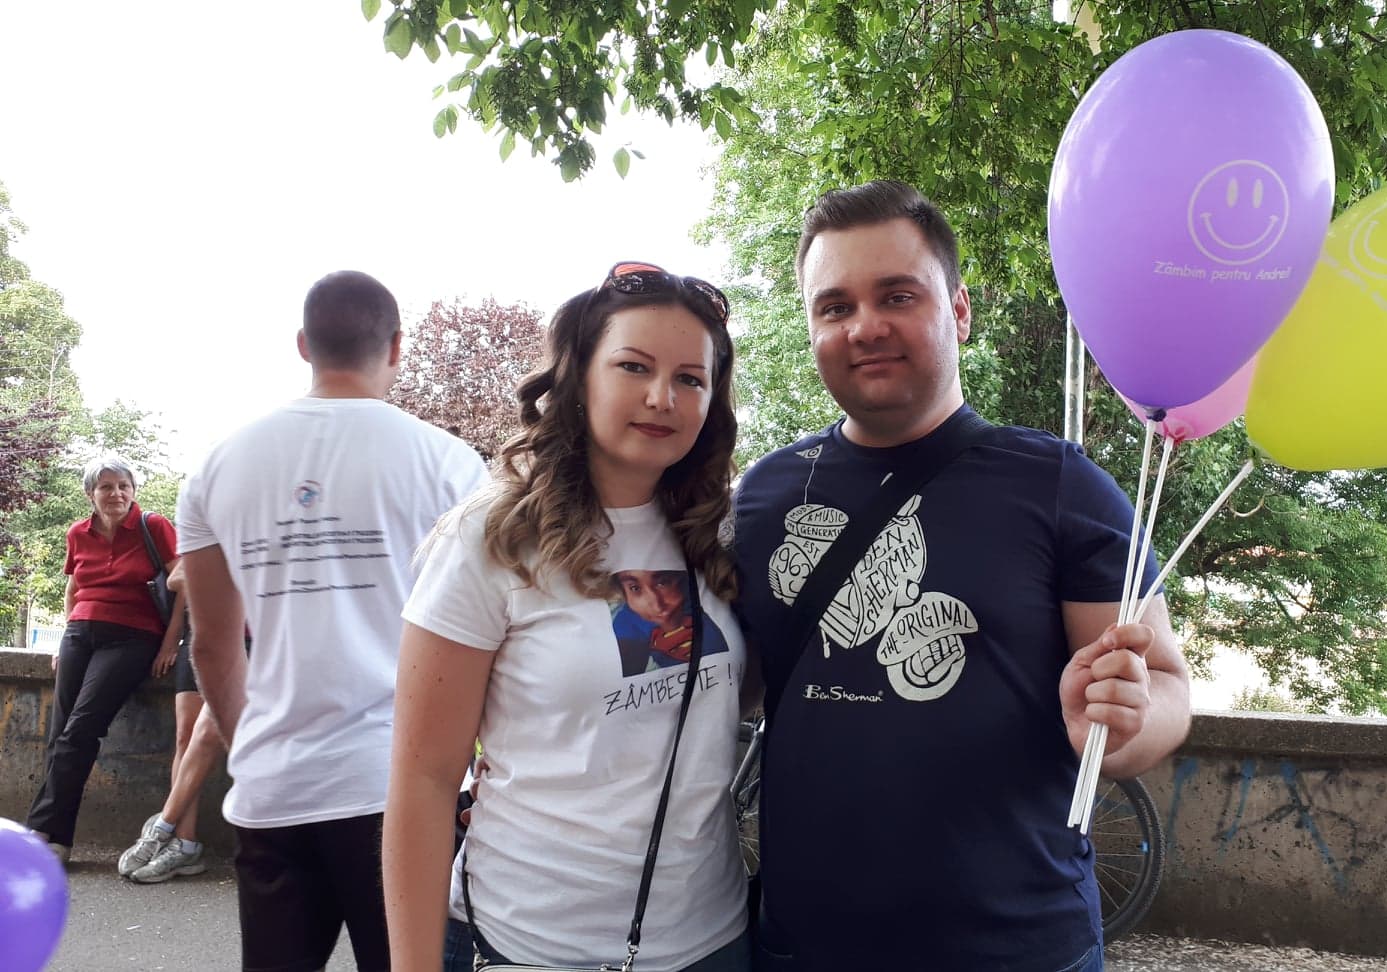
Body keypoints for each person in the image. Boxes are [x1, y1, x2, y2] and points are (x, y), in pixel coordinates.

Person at [731, 180, 1192, 971]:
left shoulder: (1062, 486)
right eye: (835, 307)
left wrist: (1123, 726)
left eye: (897, 295)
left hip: (1018, 949)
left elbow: (1167, 685)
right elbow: (730, 687)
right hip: (802, 950)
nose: (864, 326)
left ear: (959, 310)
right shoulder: (765, 494)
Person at [384, 262, 749, 972]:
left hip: (712, 940)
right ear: (579, 376)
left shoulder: (717, 531)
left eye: (690, 378)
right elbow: (423, 780)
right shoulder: (490, 538)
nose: (662, 397)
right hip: (530, 944)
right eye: (634, 366)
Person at [177, 271, 487, 972]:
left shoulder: (216, 468)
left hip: (273, 791)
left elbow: (215, 649)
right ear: (397, 346)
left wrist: (253, 747)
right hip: (402, 786)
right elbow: (487, 644)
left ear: (303, 345)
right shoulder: (449, 465)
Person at [26, 453, 183, 863]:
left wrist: (170, 644)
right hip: (80, 634)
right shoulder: (78, 533)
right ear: (90, 494)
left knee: (79, 730)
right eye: (106, 487)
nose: (116, 494)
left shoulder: (153, 526)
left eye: (123, 486)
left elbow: (183, 584)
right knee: (60, 732)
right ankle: (58, 840)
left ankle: (41, 832)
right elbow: (73, 588)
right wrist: (66, 635)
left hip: (132, 636)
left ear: (133, 490)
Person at [116, 560, 227, 883]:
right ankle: (186, 844)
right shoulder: (216, 535)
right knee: (185, 737)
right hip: (199, 635)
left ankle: (161, 828)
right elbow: (176, 579)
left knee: (207, 734)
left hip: (247, 640)